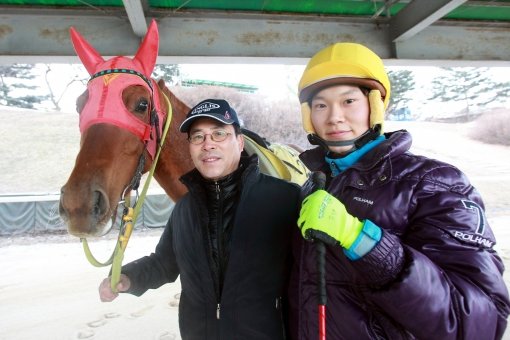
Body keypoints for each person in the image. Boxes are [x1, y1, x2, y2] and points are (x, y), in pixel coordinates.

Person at [289, 42, 510, 339]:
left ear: (376, 105)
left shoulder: (434, 184)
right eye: (321, 105)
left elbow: (480, 322)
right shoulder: (313, 185)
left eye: (349, 101)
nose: (334, 117)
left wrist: (362, 240)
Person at [98, 98, 301, 339]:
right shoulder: (184, 208)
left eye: (218, 134)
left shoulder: (285, 199)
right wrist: (128, 277)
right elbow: (164, 263)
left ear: (239, 142)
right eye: (198, 137)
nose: (207, 144)